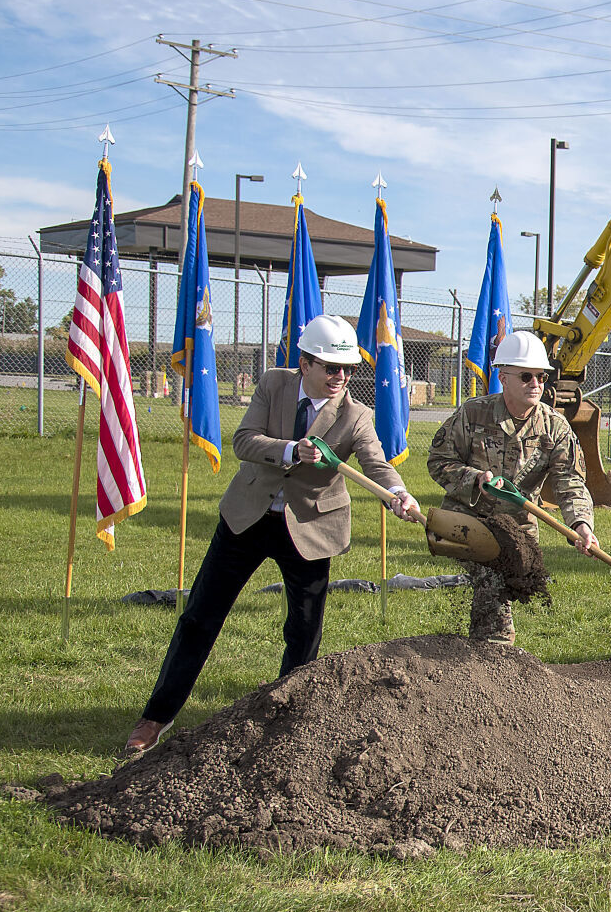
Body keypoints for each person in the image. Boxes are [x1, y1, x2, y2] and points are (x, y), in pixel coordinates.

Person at [124, 314, 424, 756]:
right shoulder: (273, 384)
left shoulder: (356, 416)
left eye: (347, 369)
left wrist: (398, 494)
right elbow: (244, 441)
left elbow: (376, 464)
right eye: (330, 367)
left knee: (303, 631)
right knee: (199, 617)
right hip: (247, 519)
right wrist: (290, 450)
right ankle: (156, 717)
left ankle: (284, 724)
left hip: (310, 530)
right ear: (304, 363)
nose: (340, 377)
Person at [428, 330, 598, 645]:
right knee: (494, 575)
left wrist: (581, 524)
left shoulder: (555, 427)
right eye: (526, 376)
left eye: (541, 377)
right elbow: (439, 462)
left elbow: (570, 482)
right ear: (503, 377)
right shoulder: (473, 413)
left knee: (509, 577)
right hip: (465, 518)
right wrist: (474, 479)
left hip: (517, 525)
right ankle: (495, 650)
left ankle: (484, 653)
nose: (535, 384)